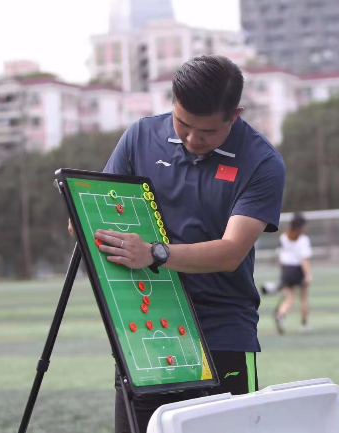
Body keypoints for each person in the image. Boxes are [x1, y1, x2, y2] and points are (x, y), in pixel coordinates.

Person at [70, 55, 285, 433]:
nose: (192, 139)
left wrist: (153, 253)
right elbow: (99, 209)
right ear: (173, 102)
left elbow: (231, 252)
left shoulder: (262, 162)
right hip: (146, 328)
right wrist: (83, 217)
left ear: (235, 115)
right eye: (183, 124)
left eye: (207, 131)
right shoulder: (140, 136)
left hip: (222, 332)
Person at [274, 213, 313, 335]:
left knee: (289, 298)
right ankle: (304, 324)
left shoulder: (283, 237)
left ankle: (281, 314)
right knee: (303, 298)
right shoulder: (303, 239)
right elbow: (304, 259)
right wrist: (308, 274)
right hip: (298, 269)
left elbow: (280, 257)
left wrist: (282, 272)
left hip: (286, 269)